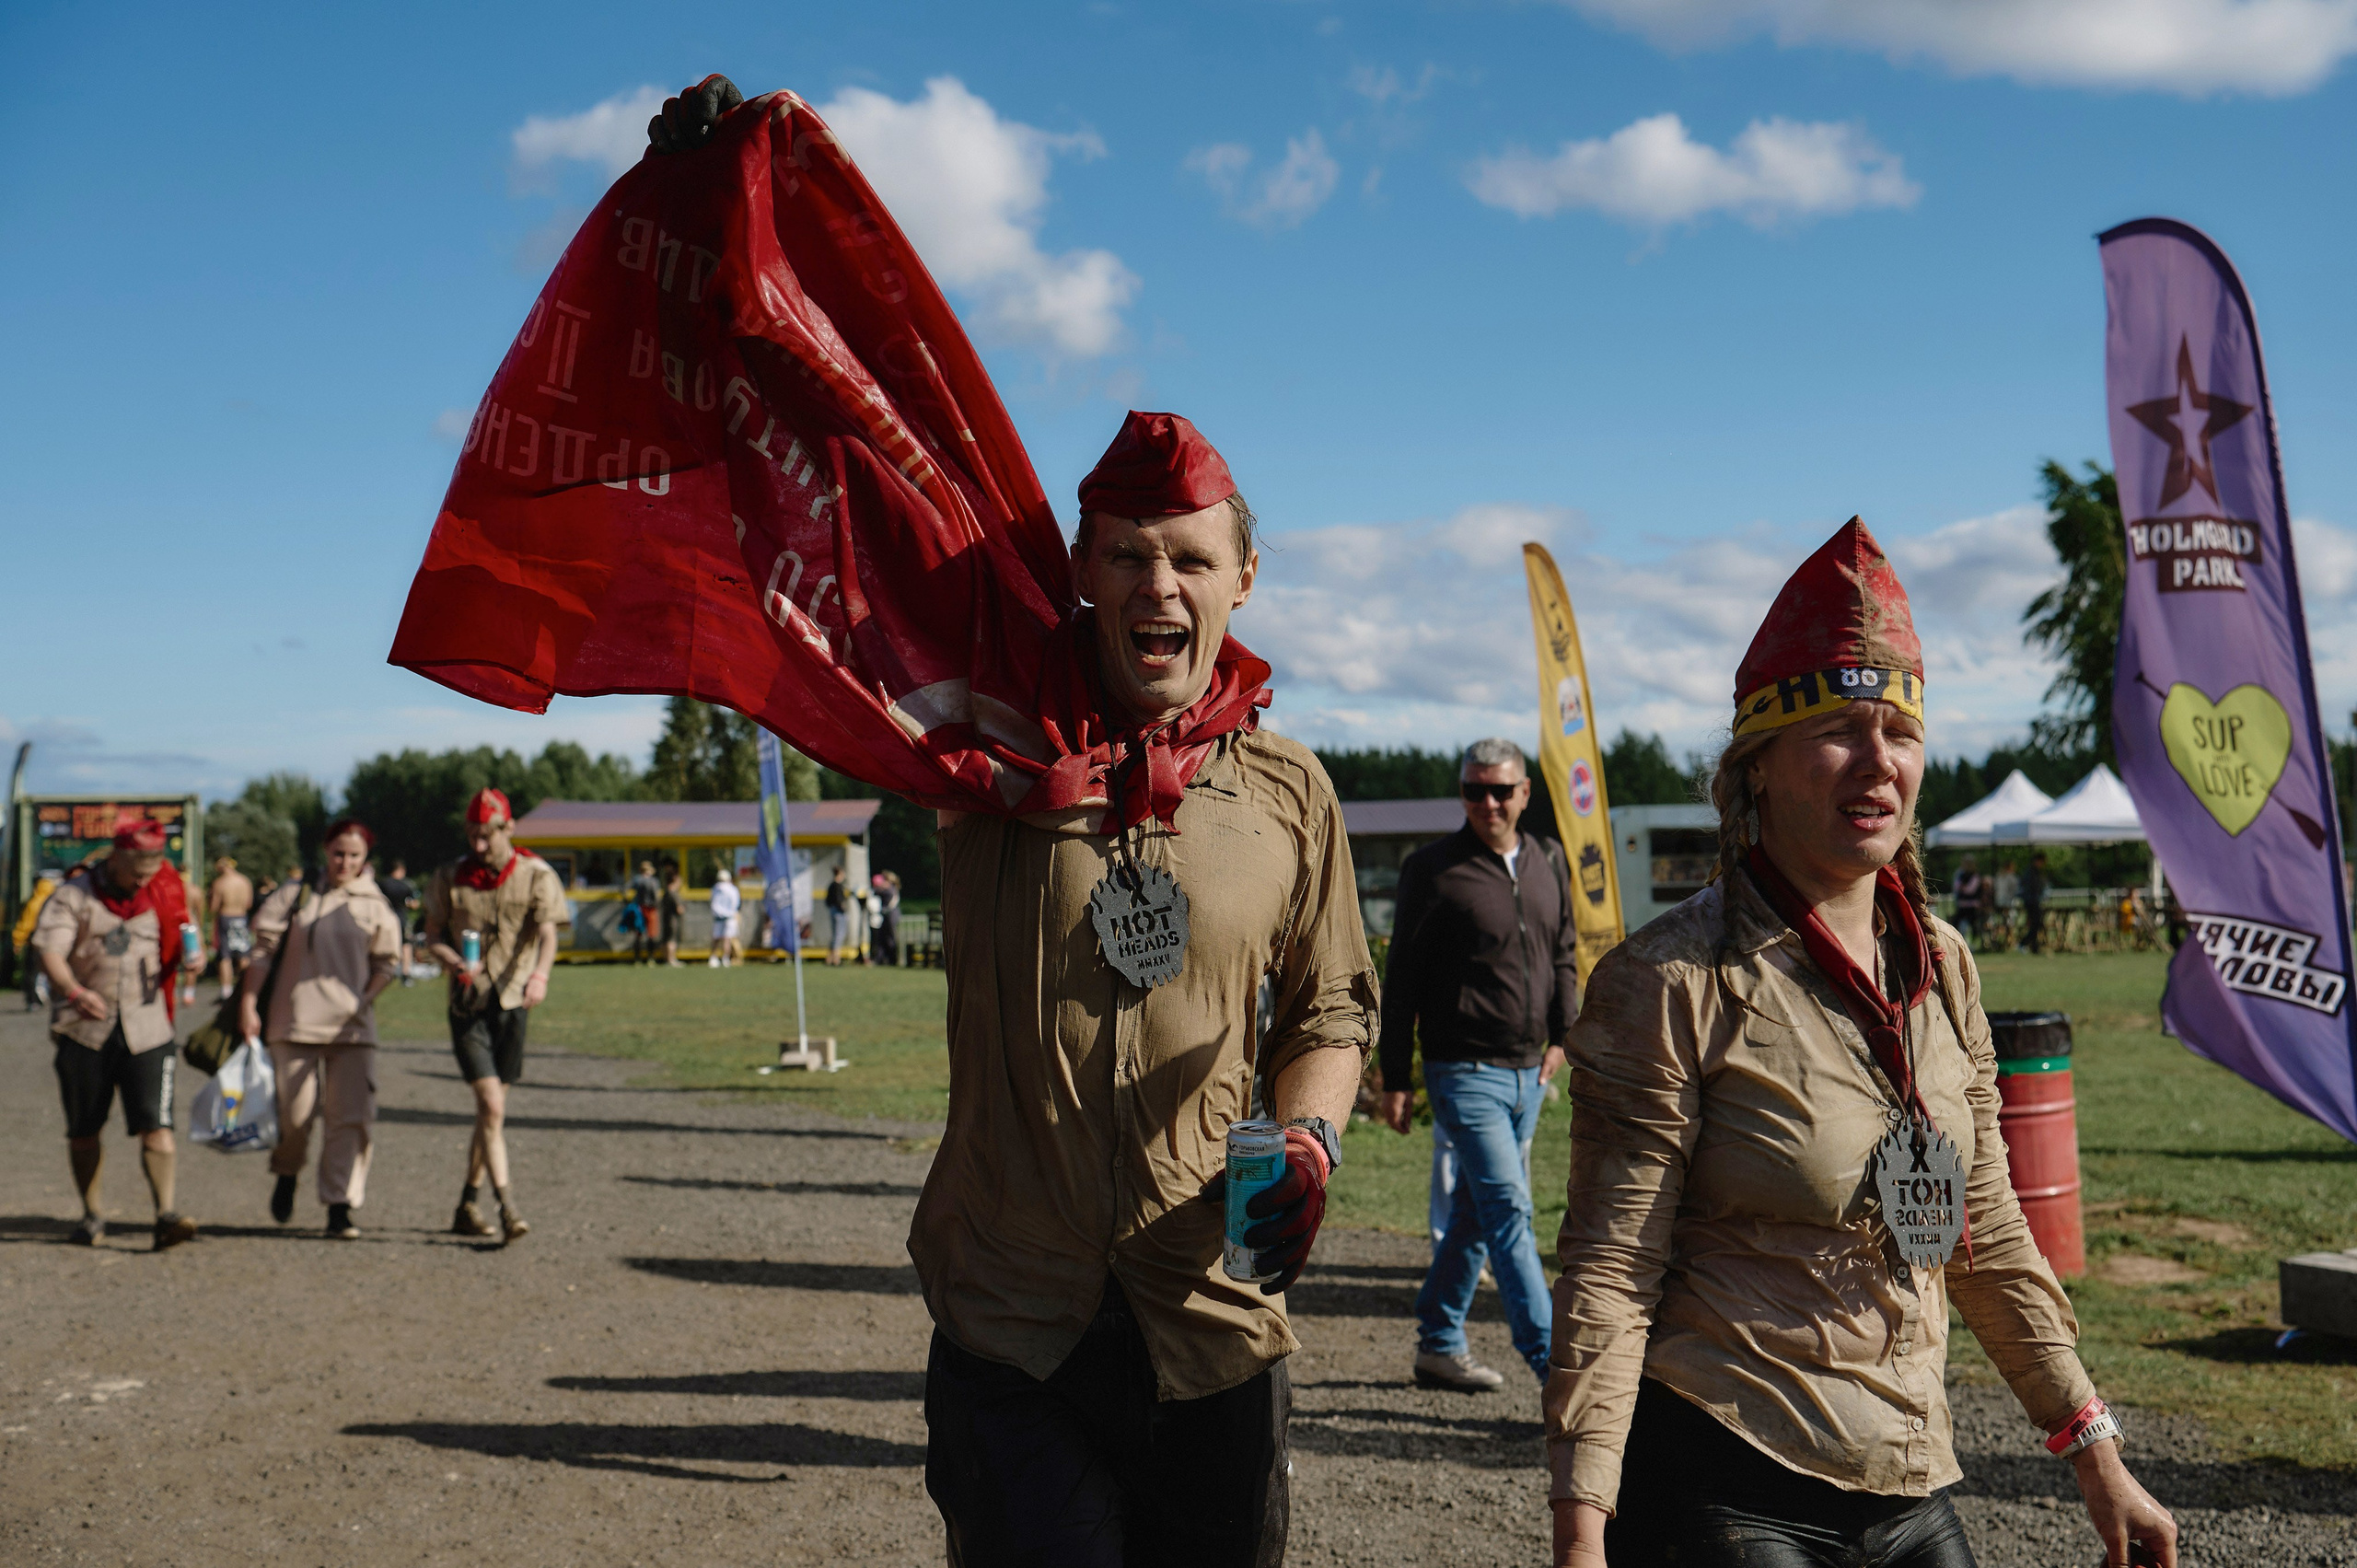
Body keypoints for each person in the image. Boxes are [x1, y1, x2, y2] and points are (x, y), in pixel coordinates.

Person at [1545, 520, 2176, 1568]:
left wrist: (2092, 1445)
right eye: (1838, 728)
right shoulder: (1668, 979)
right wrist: (1580, 1524)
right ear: (1758, 766)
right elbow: (1611, 1269)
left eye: (1900, 729)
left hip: (1909, 1470)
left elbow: (1985, 1229)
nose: (1878, 760)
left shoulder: (1943, 965)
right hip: (1723, 1472)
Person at [1377, 738, 1576, 1392]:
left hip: (1529, 1071)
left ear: (1524, 793)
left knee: (1474, 1212)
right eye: (1473, 790)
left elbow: (1564, 952)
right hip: (1462, 1071)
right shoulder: (1432, 869)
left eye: (1499, 790)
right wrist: (1398, 1077)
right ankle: (1559, 1375)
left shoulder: (1549, 857)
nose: (1486, 802)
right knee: (1509, 1212)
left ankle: (1438, 1341)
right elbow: (1400, 977)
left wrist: (1562, 1035)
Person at [32, 822, 198, 1250]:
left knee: (157, 1126)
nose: (143, 881)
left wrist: (192, 963)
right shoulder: (75, 896)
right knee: (84, 1129)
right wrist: (73, 991)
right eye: (135, 873)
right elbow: (50, 950)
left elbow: (183, 933)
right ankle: (92, 1214)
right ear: (115, 861)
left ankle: (165, 1215)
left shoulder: (164, 891)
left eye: (151, 872)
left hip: (148, 1029)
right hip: (86, 1029)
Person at [419, 788, 568, 1244]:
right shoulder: (449, 877)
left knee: (491, 1116)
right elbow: (432, 935)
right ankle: (508, 1208)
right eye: (472, 836)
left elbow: (547, 934)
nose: (478, 845)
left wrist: (540, 977)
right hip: (468, 1006)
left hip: (513, 1004)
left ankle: (467, 1201)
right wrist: (451, 962)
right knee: (492, 1106)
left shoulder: (536, 875)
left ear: (508, 829)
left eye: (486, 836)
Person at [240, 818, 401, 1239]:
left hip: (352, 1029)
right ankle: (288, 1171)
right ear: (325, 851)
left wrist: (364, 999)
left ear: (366, 859)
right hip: (293, 1021)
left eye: (354, 855)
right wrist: (246, 1002)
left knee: (350, 1118)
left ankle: (339, 1206)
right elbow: (261, 950)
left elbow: (387, 963)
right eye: (338, 853)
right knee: (295, 1116)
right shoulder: (296, 896)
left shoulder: (374, 903)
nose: (344, 862)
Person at [207, 854, 255, 1000]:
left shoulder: (220, 883)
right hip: (241, 917)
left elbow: (213, 907)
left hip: (226, 917)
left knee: (225, 956)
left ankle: (226, 991)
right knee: (243, 953)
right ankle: (245, 986)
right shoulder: (245, 881)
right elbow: (249, 904)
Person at [15, 867, 62, 1010]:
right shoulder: (57, 898)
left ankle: (34, 999)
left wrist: (18, 940)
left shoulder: (35, 900)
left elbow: (26, 922)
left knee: (32, 971)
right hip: (54, 939)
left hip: (35, 939)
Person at [377, 856, 419, 985]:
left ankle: (387, 973)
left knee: (386, 946)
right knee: (406, 946)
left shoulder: (383, 884)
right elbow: (415, 904)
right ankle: (405, 975)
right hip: (402, 918)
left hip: (385, 919)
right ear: (401, 870)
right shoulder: (406, 884)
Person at [707, 865, 742, 968]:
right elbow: (736, 903)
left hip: (718, 917)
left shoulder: (715, 888)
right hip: (730, 917)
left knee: (717, 938)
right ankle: (725, 958)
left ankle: (713, 957)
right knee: (727, 938)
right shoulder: (733, 889)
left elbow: (712, 902)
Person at [1949, 855, 1985, 950]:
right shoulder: (1960, 875)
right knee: (1957, 925)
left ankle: (1972, 945)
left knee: (1973, 926)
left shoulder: (1975, 875)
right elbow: (1956, 887)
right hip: (1962, 904)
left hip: (1972, 906)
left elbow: (1970, 890)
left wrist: (1963, 888)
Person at [628, 860, 660, 964]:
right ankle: (644, 958)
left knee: (649, 934)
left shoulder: (641, 880)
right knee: (641, 934)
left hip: (647, 908)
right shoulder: (644, 880)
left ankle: (646, 958)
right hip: (643, 909)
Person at [2023, 850, 2050, 956]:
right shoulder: (2031, 873)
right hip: (2031, 902)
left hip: (2033, 901)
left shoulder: (2034, 872)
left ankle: (2033, 945)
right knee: (2035, 924)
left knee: (2036, 924)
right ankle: (2025, 943)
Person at [872, 871, 901, 967]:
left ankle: (893, 959)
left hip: (891, 915)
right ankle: (882, 958)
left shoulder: (890, 890)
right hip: (887, 916)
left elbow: (877, 892)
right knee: (883, 937)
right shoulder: (890, 889)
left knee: (890, 937)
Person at [823, 865, 851, 967]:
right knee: (839, 935)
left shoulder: (831, 885)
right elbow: (839, 901)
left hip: (833, 912)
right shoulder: (837, 886)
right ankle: (836, 959)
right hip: (839, 913)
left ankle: (829, 958)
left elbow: (827, 901)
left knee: (835, 935)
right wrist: (843, 908)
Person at [659, 863, 685, 968]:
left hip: (666, 919)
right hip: (672, 920)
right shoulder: (673, 893)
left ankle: (667, 959)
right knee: (671, 940)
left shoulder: (666, 892)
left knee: (666, 939)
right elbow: (679, 909)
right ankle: (671, 959)